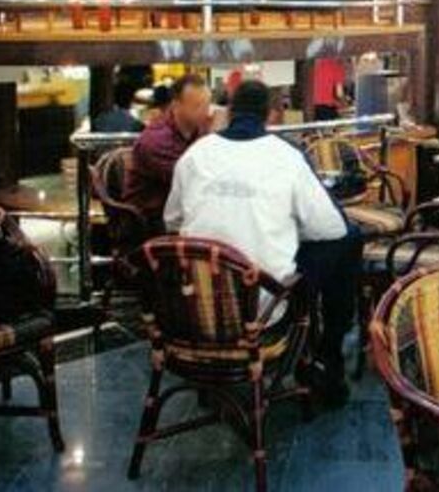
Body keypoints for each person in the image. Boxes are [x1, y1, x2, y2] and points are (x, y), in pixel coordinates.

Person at [164, 80, 362, 405]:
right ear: (270, 114)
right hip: (259, 312)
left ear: (228, 112)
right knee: (349, 239)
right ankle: (328, 356)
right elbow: (332, 229)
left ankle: (319, 353)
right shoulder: (286, 157)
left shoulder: (194, 155)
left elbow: (171, 221)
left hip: (192, 311)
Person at [123, 74, 212, 228]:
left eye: (207, 106)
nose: (206, 113)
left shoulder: (199, 131)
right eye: (197, 106)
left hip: (183, 214)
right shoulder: (156, 140)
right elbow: (192, 181)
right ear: (176, 105)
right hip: (150, 222)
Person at [312, 57, 348, 121]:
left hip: (315, 107)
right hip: (329, 108)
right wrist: (345, 102)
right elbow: (339, 94)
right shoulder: (337, 66)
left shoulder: (318, 63)